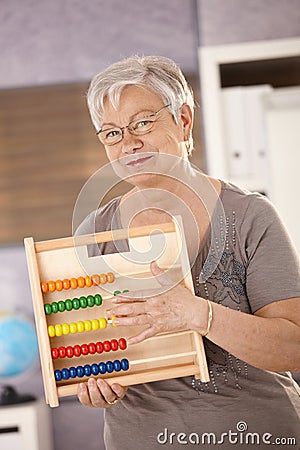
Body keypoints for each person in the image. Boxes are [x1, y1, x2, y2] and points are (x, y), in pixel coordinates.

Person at [75, 56, 300, 449]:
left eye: (142, 122)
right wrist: (94, 381)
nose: (129, 143)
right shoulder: (94, 231)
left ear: (183, 120)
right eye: (111, 133)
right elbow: (95, 348)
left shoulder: (249, 216)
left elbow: (293, 349)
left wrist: (197, 313)